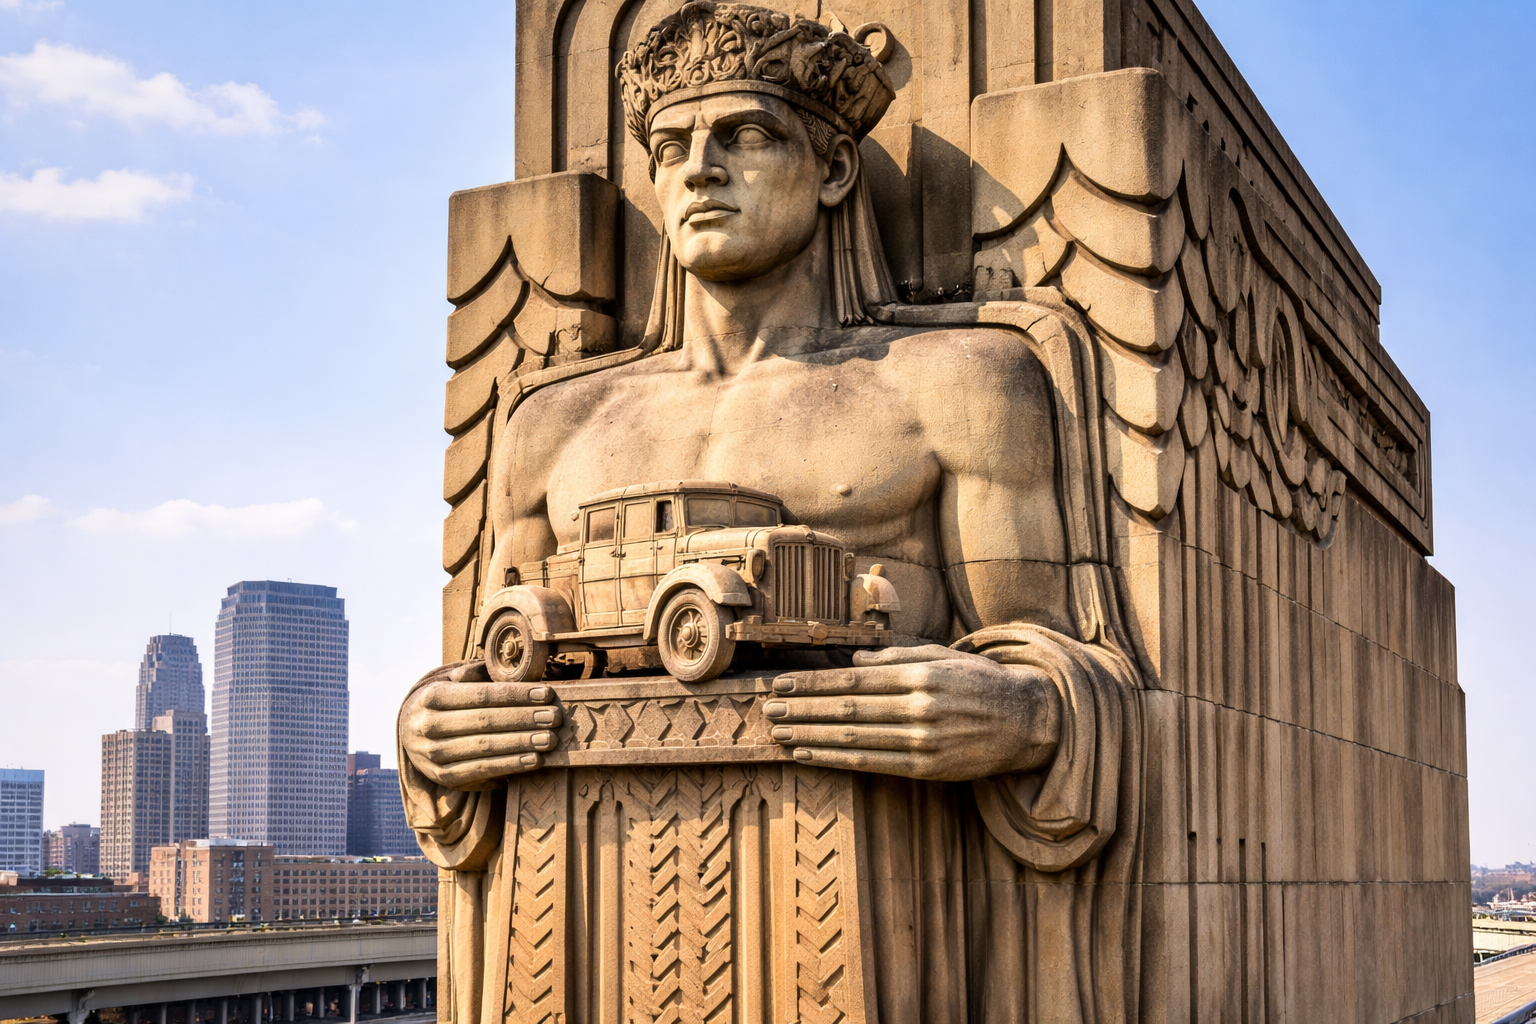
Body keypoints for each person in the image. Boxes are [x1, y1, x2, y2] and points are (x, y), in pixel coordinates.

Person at [399, 4, 1142, 1020]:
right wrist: (430, 730)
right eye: (671, 147)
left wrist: (1024, 714)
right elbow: (490, 666)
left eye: (743, 135)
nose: (699, 170)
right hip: (573, 909)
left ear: (833, 169)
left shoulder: (959, 382)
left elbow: (1057, 658)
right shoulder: (552, 421)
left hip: (857, 891)